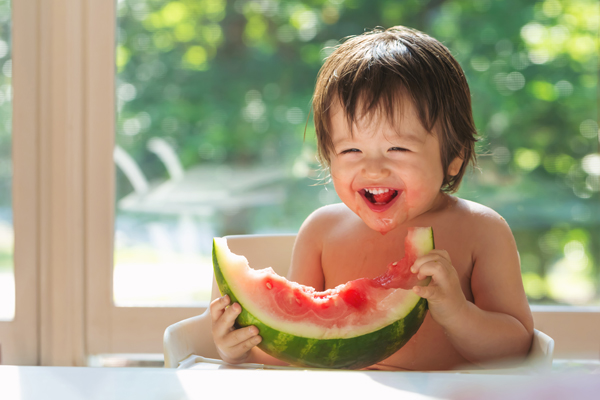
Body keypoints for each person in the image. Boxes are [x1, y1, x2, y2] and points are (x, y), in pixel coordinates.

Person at [210, 26, 534, 371]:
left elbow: (517, 347)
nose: (374, 169)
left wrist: (457, 313)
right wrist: (240, 347)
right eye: (351, 149)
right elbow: (294, 342)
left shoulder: (482, 231)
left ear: (454, 155)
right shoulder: (322, 232)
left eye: (397, 148)